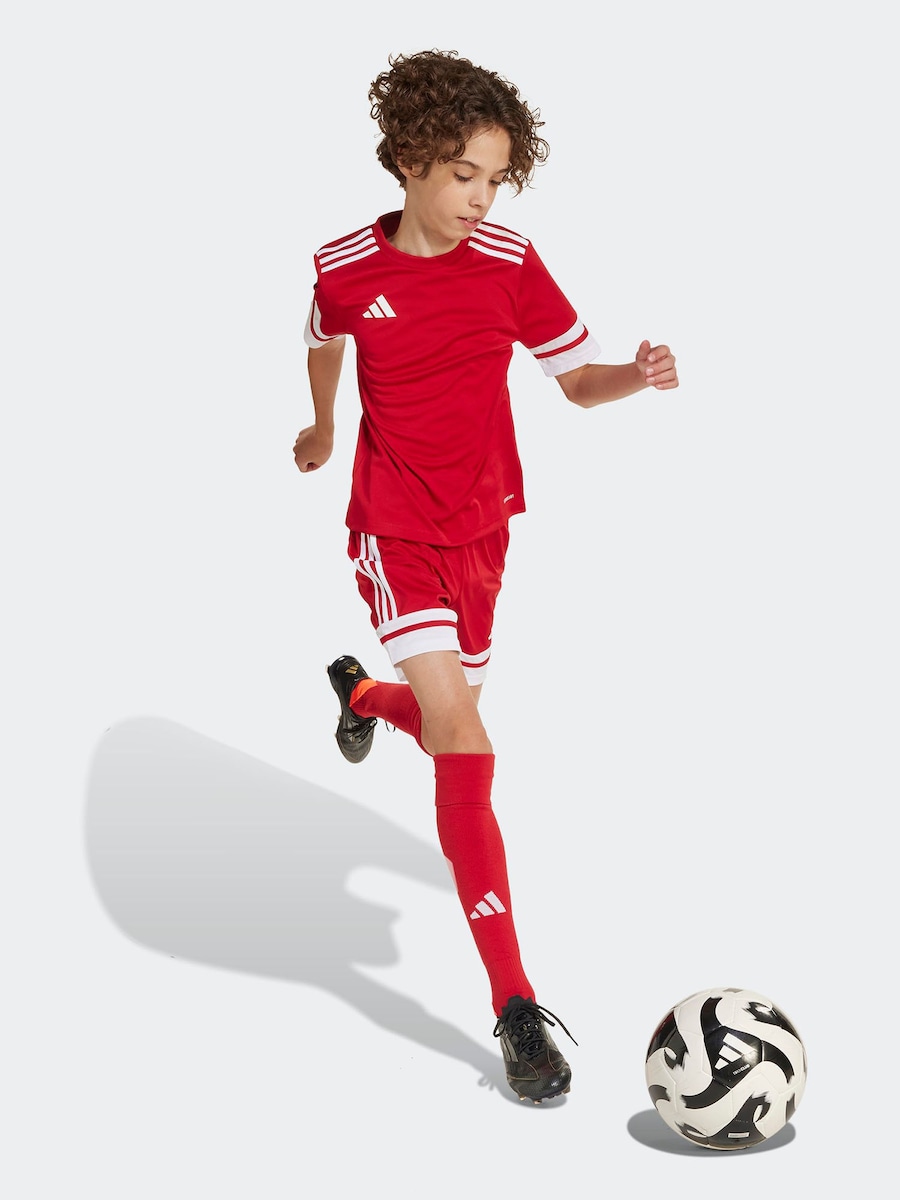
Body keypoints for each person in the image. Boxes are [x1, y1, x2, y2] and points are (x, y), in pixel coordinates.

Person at [294, 48, 678, 1104]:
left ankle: (364, 699)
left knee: (443, 724)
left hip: (483, 528)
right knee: (466, 737)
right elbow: (323, 336)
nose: (481, 197)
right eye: (464, 173)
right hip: (393, 527)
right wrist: (323, 426)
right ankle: (516, 1005)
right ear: (410, 160)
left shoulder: (508, 259)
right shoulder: (344, 264)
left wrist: (635, 377)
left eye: (497, 178)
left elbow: (576, 381)